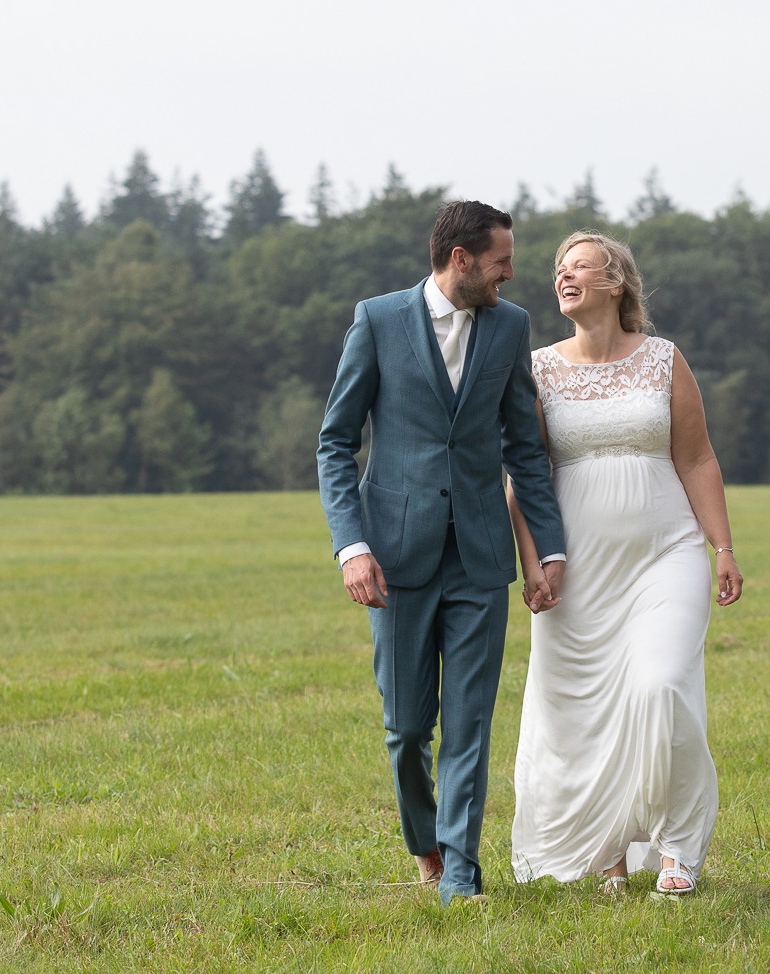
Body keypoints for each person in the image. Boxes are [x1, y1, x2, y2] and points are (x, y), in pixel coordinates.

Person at [317, 201, 566, 905]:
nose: (509, 278)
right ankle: (424, 843)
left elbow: (525, 445)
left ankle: (461, 871)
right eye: (500, 264)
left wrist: (547, 548)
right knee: (405, 727)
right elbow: (335, 443)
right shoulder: (377, 319)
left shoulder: (509, 327)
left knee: (469, 722)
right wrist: (352, 546)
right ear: (461, 259)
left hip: (481, 557)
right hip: (394, 558)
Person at [507, 230, 743, 896]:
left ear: (617, 283)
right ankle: (610, 848)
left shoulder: (664, 360)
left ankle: (676, 845)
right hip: (574, 567)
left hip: (665, 554)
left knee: (661, 685)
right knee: (582, 713)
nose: (564, 275)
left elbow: (696, 458)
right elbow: (527, 474)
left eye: (580, 266)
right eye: (559, 269)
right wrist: (533, 563)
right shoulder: (538, 368)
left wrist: (722, 546)